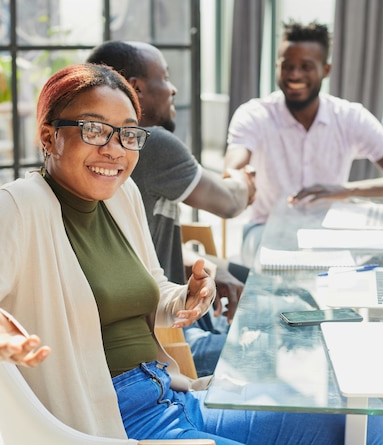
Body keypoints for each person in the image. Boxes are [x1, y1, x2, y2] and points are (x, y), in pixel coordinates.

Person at [0, 63, 383, 444]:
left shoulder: (121, 195)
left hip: (169, 394)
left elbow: (153, 292)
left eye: (128, 134)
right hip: (113, 420)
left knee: (365, 421)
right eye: (94, 130)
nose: (114, 150)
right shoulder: (17, 207)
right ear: (49, 137)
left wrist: (184, 299)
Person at [87, 41, 255, 377]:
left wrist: (202, 263)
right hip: (165, 335)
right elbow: (229, 202)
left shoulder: (116, 159)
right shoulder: (151, 143)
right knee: (270, 341)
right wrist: (242, 178)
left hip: (172, 301)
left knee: (250, 285)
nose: (173, 88)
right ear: (136, 89)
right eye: (164, 77)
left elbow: (135, 248)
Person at [225, 20, 383, 266]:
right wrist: (238, 178)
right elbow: (234, 167)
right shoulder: (254, 115)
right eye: (287, 66)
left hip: (330, 234)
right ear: (277, 67)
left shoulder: (350, 117)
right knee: (292, 268)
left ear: (326, 69)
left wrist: (347, 190)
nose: (295, 75)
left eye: (305, 66)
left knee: (381, 262)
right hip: (265, 230)